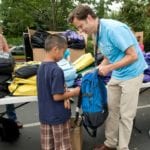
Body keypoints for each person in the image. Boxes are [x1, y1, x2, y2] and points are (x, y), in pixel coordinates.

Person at [68, 4, 148, 150]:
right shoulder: (95, 33)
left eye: (80, 26)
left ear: (89, 18)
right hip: (118, 74)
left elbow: (134, 56)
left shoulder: (113, 29)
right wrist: (99, 67)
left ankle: (122, 147)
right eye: (77, 28)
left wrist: (109, 68)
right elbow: (109, 56)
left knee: (126, 115)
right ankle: (110, 143)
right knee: (111, 110)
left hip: (133, 73)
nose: (80, 31)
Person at [37, 34, 80, 150]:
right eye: (63, 51)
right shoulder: (56, 70)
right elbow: (57, 96)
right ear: (55, 49)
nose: (63, 55)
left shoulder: (41, 67)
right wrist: (74, 92)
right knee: (62, 146)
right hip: (58, 116)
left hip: (45, 116)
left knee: (48, 146)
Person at [0, 33, 23, 128]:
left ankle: (12, 120)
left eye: (0, 41)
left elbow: (13, 67)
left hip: (7, 82)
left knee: (9, 102)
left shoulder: (7, 54)